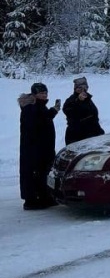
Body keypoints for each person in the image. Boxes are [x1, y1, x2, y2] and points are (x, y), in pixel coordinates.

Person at [19, 82, 60, 210]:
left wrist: (53, 111)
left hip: (43, 147)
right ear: (34, 94)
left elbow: (43, 119)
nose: (44, 95)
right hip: (34, 149)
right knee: (34, 173)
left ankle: (44, 197)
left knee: (43, 172)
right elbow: (37, 125)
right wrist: (52, 111)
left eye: (45, 93)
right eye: (41, 93)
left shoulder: (39, 106)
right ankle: (32, 200)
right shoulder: (30, 107)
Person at [63, 77, 104, 145]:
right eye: (80, 88)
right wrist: (78, 101)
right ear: (75, 89)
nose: (83, 89)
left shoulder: (88, 99)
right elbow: (68, 112)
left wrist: (99, 131)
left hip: (92, 136)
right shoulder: (71, 100)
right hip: (77, 138)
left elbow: (94, 117)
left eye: (85, 87)